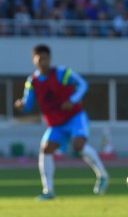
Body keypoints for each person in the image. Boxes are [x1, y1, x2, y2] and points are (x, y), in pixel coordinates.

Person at [14, 44, 108, 200]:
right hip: (56, 124)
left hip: (75, 117)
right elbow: (28, 104)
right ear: (34, 60)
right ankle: (48, 191)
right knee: (46, 148)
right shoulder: (33, 81)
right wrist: (21, 105)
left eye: (45, 58)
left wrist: (72, 100)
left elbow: (83, 84)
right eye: (39, 59)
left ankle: (102, 175)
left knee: (78, 145)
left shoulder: (62, 73)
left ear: (50, 59)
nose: (43, 62)